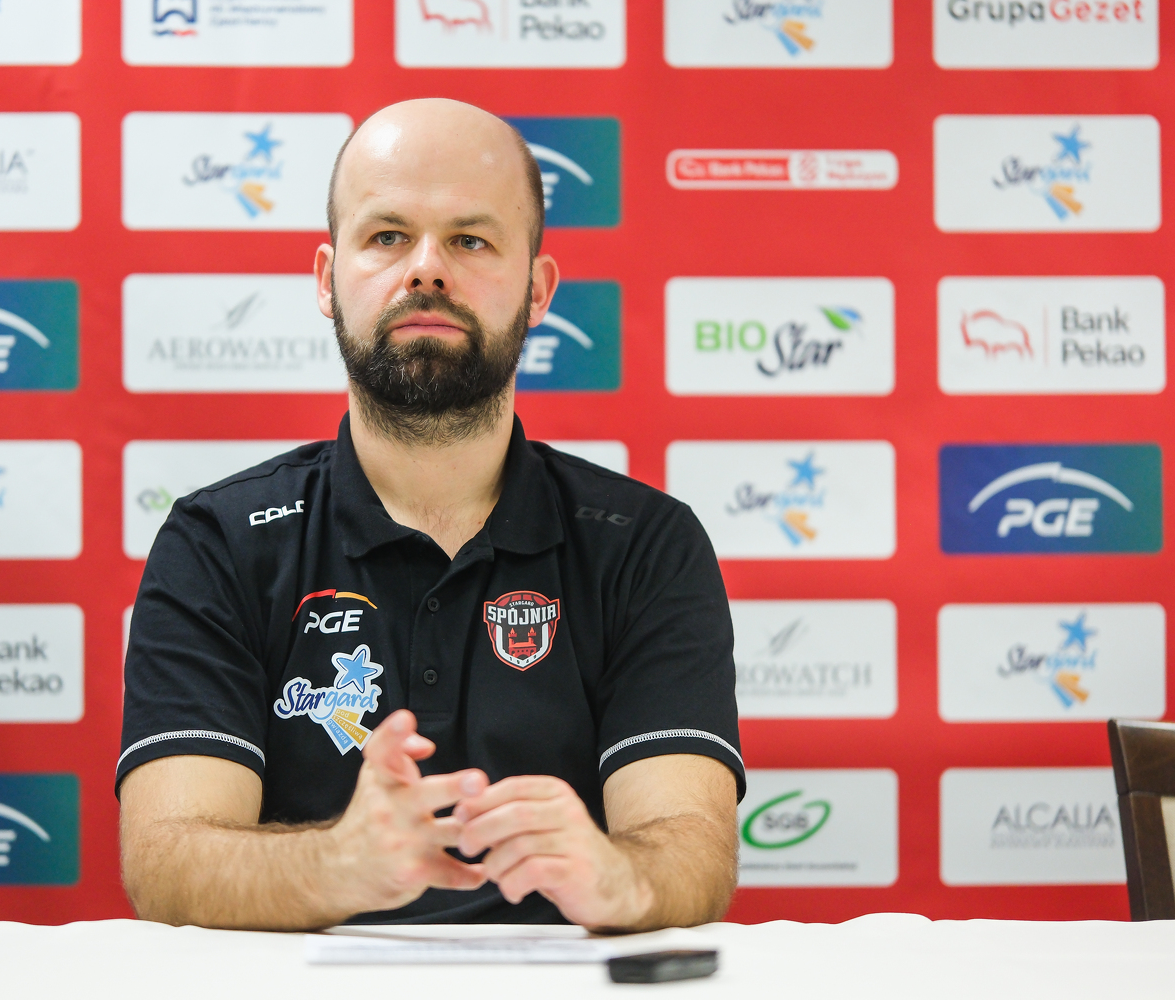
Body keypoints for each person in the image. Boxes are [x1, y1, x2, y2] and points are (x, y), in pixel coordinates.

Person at [117, 98, 743, 932]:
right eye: (387, 236)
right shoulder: (218, 542)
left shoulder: (646, 546)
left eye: (470, 240)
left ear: (537, 289)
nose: (425, 271)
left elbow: (692, 851)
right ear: (326, 280)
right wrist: (338, 864)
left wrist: (623, 878)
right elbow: (165, 861)